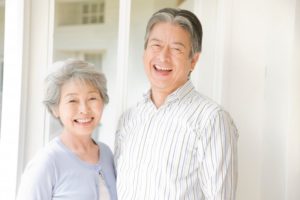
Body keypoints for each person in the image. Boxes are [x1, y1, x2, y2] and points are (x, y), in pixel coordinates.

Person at [115, 8, 238, 200]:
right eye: (156, 45)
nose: (163, 57)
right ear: (144, 52)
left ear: (193, 60)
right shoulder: (128, 118)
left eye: (176, 49)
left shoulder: (211, 119)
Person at [17, 59, 117, 200]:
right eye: (72, 100)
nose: (84, 109)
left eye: (92, 98)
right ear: (55, 108)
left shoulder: (107, 154)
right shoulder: (46, 163)